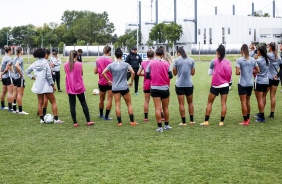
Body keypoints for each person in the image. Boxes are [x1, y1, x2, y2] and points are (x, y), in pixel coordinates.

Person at [26, 48, 64, 124]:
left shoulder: (34, 63)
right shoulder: (46, 63)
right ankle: (56, 119)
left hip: (38, 85)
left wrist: (32, 77)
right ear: (44, 54)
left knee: (40, 102)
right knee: (53, 102)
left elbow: (27, 71)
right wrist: (53, 85)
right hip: (46, 85)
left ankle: (41, 120)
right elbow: (49, 76)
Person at [102, 48, 137, 126]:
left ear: (115, 55)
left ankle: (119, 122)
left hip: (115, 87)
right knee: (129, 104)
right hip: (124, 87)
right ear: (122, 55)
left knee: (117, 105)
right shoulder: (126, 64)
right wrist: (131, 81)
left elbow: (103, 73)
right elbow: (133, 72)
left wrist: (109, 80)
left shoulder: (111, 65)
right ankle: (132, 121)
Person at [201, 44, 232, 126]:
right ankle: (221, 122)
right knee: (224, 103)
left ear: (217, 52)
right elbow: (229, 74)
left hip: (215, 85)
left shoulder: (213, 61)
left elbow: (209, 73)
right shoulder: (228, 62)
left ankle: (206, 121)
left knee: (209, 103)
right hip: (225, 85)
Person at [145, 47, 173, 132]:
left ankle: (160, 127)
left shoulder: (151, 63)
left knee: (157, 108)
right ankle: (167, 125)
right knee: (166, 108)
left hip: (154, 88)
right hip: (164, 87)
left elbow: (147, 75)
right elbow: (171, 76)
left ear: (155, 54)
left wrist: (154, 77)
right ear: (163, 55)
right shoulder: (166, 64)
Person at [64, 50, 94, 127]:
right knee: (83, 103)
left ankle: (75, 122)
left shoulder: (65, 65)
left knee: (72, 105)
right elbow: (81, 73)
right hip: (79, 87)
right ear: (76, 56)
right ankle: (88, 121)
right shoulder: (79, 64)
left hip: (70, 87)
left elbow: (66, 73)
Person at [235, 44, 259, 126]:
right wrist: (250, 72)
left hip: (242, 84)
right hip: (250, 84)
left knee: (243, 102)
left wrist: (243, 72)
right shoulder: (253, 59)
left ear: (242, 51)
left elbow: (237, 73)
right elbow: (258, 70)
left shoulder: (239, 60)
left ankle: (245, 120)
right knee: (248, 101)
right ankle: (248, 118)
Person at [173, 47, 195, 126]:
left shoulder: (176, 60)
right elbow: (193, 73)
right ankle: (192, 121)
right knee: (190, 103)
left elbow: (174, 73)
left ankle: (184, 122)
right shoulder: (191, 60)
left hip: (179, 85)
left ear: (179, 53)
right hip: (189, 84)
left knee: (181, 104)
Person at [94, 46, 113, 120]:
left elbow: (95, 71)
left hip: (101, 81)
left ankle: (101, 114)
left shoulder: (98, 59)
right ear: (109, 52)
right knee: (110, 99)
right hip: (110, 81)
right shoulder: (111, 60)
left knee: (101, 99)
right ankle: (106, 116)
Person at [253, 45, 270, 123]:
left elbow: (254, 69)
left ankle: (262, 117)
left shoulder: (258, 61)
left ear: (260, 51)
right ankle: (261, 114)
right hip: (266, 81)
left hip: (259, 80)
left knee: (259, 100)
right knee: (263, 97)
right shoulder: (268, 60)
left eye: (258, 51)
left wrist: (255, 59)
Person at [137, 49, 154, 122]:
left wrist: (144, 74)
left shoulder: (143, 63)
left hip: (147, 83)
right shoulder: (155, 62)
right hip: (155, 83)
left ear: (146, 55)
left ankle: (146, 117)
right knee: (158, 101)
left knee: (146, 101)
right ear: (154, 55)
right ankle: (162, 116)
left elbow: (138, 73)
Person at [265, 42, 281, 118]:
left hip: (269, 78)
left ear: (271, 47)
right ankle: (272, 113)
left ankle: (261, 112)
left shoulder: (269, 55)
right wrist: (277, 75)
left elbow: (262, 53)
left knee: (263, 95)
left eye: (268, 46)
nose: (268, 47)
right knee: (273, 96)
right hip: (276, 78)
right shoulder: (279, 57)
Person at [11, 47, 29, 115]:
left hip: (14, 77)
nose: (23, 51)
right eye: (22, 50)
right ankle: (20, 110)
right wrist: (20, 73)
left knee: (15, 93)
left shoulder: (14, 58)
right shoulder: (20, 58)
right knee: (20, 94)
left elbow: (11, 65)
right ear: (20, 51)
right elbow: (16, 65)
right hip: (19, 78)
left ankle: (14, 109)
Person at [0, 46, 14, 111]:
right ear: (9, 51)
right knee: (10, 92)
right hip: (8, 77)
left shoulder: (3, 57)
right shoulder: (9, 59)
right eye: (11, 50)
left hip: (4, 77)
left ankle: (2, 106)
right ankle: (10, 108)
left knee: (3, 92)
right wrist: (2, 73)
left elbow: (1, 67)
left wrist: (1, 74)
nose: (12, 51)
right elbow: (6, 68)